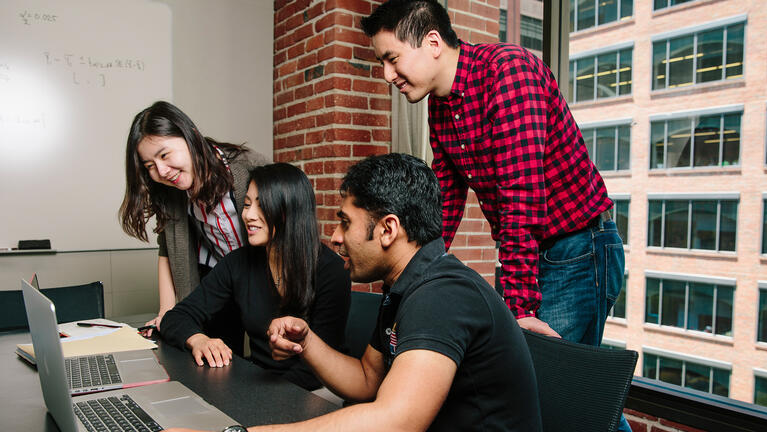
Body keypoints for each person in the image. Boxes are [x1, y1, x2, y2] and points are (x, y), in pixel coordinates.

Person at [165, 153, 542, 432]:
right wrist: (307, 341)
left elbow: (397, 419)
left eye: (345, 222)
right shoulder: (405, 287)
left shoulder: (441, 294)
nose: (335, 237)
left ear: (387, 229)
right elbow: (367, 380)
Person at [361, 0, 625, 345]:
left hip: (576, 249)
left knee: (550, 385)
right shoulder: (441, 105)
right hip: (530, 250)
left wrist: (519, 306)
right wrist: (412, 268)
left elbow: (521, 195)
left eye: (392, 59)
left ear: (433, 43)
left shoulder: (509, 73)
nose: (387, 74)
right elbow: (445, 198)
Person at [160, 163, 351, 391]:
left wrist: (253, 398)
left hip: (317, 390)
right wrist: (198, 339)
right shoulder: (238, 263)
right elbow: (176, 317)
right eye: (247, 204)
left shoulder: (331, 271)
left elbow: (315, 371)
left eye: (261, 206)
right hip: (262, 383)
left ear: (289, 210)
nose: (248, 215)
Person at [120, 101, 268, 353]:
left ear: (190, 136)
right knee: (215, 358)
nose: (162, 171)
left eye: (165, 155)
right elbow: (166, 249)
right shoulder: (170, 193)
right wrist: (166, 313)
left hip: (265, 276)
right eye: (149, 166)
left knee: (269, 356)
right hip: (219, 279)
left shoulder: (249, 167)